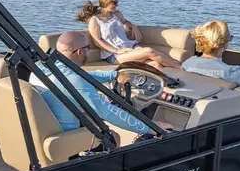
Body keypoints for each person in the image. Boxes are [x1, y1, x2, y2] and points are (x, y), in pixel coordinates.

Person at [29, 31, 166, 138]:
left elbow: (80, 76)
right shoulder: (74, 80)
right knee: (112, 136)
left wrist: (114, 75)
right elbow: (108, 112)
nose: (89, 51)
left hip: (47, 129)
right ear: (80, 51)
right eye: (88, 48)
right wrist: (151, 127)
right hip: (68, 137)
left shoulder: (41, 69)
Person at [76, 0, 181, 70]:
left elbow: (126, 22)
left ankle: (169, 86)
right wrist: (117, 50)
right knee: (149, 51)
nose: (116, 5)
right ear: (106, 2)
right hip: (114, 55)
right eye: (114, 3)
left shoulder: (117, 14)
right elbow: (98, 42)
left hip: (131, 46)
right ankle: (182, 68)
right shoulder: (95, 20)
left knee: (155, 64)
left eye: (117, 2)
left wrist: (132, 26)